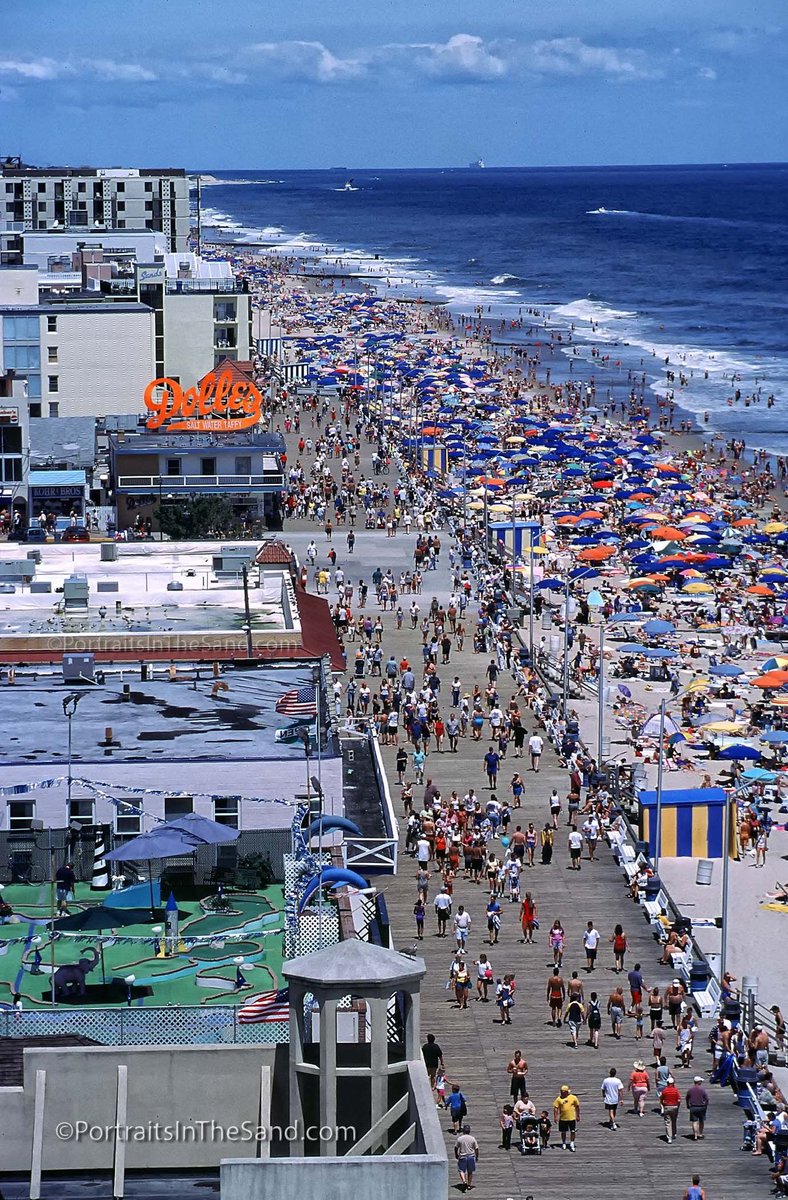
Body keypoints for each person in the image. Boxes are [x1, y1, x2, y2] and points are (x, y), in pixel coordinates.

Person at [552, 1083, 580, 1151]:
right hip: (563, 1118)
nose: (561, 1093)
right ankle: (564, 1142)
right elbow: (556, 1108)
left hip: (571, 1118)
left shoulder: (573, 1097)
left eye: (563, 1092)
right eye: (561, 1091)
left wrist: (577, 1115)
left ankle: (572, 1143)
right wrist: (555, 1117)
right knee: (563, 1131)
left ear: (567, 1092)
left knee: (572, 1131)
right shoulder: (559, 1099)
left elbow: (577, 1106)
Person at [454, 1123, 479, 1191]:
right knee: (470, 1171)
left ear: (463, 1131)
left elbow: (456, 1147)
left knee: (461, 1170)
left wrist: (456, 1154)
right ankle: (469, 1185)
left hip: (462, 1156)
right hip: (471, 1156)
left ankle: (464, 1181)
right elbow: (476, 1148)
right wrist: (477, 1156)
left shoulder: (460, 1138)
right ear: (469, 1131)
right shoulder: (472, 1138)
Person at [685, 1075, 710, 1140]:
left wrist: (687, 1105)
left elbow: (687, 1098)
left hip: (693, 1107)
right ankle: (700, 1134)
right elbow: (707, 1099)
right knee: (701, 1121)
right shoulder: (702, 1089)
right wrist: (706, 1105)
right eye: (700, 1081)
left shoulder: (690, 1089)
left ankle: (695, 1135)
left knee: (694, 1121)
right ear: (698, 1082)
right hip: (701, 1107)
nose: (701, 1082)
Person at [660, 1075, 681, 1143]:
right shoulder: (676, 1090)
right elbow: (679, 1100)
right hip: (675, 1106)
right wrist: (678, 1106)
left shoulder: (665, 1091)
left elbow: (661, 1099)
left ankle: (669, 1138)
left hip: (667, 1107)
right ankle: (674, 1134)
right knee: (674, 1121)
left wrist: (663, 1105)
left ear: (667, 1083)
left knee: (668, 1123)